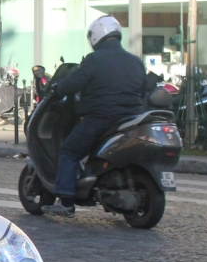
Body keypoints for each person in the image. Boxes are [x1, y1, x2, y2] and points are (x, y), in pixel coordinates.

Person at [42, 15, 147, 218]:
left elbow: (73, 83)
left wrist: (57, 89)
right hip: (131, 120)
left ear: (96, 37)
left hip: (100, 118)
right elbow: (143, 90)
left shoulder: (94, 60)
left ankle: (66, 201)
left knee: (69, 151)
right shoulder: (135, 61)